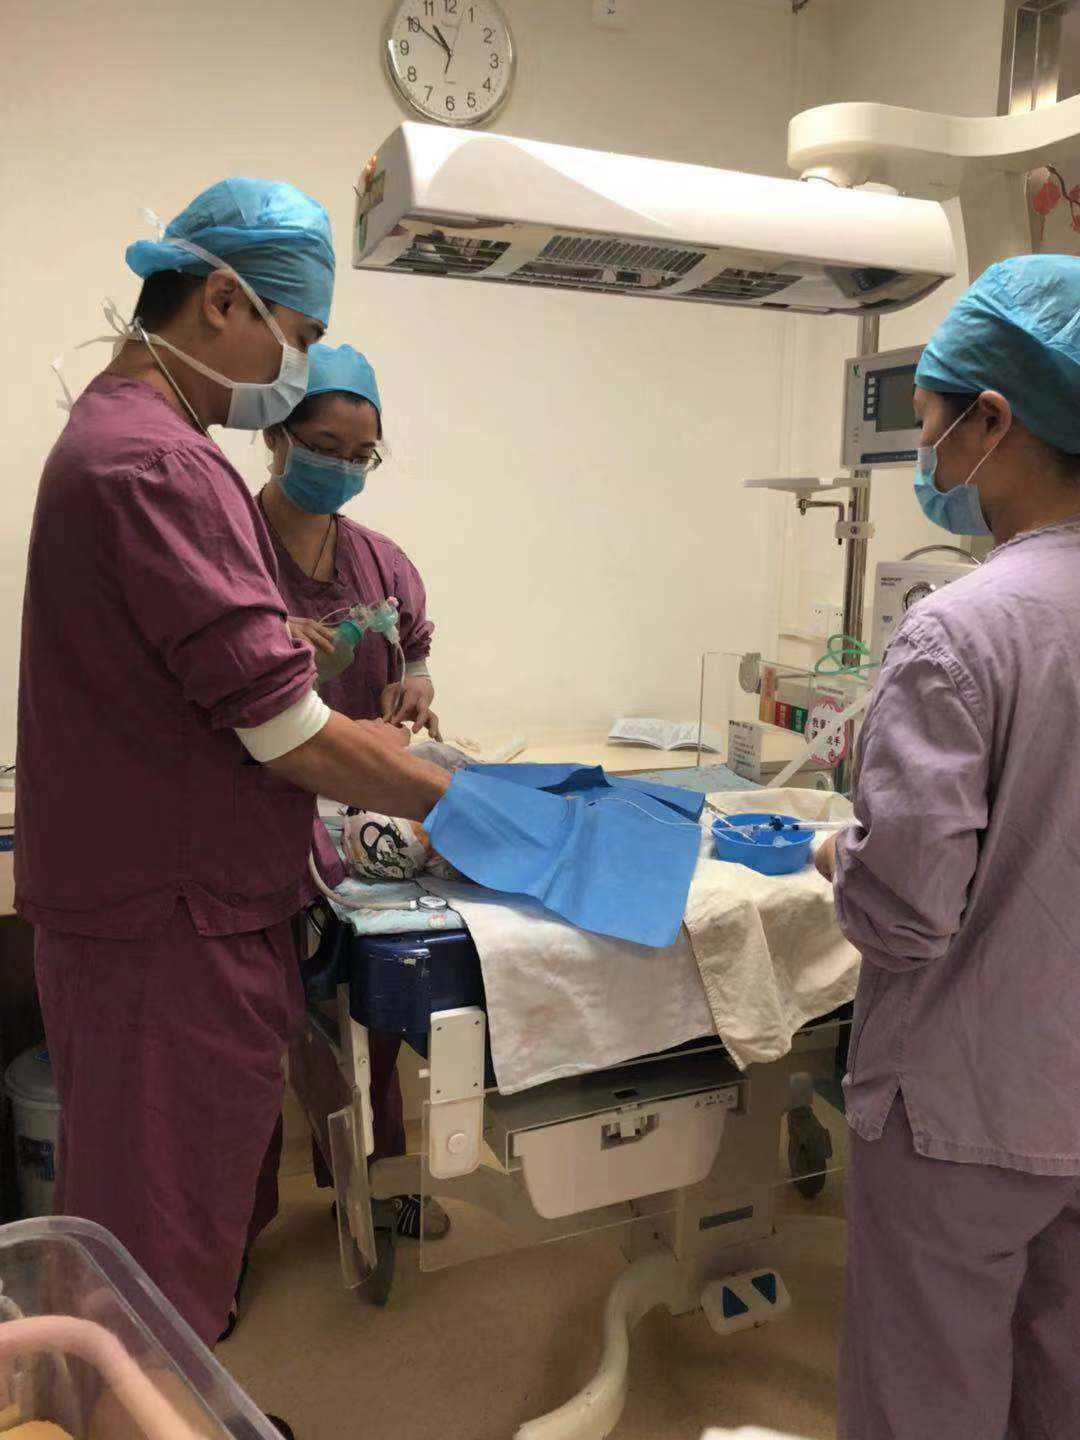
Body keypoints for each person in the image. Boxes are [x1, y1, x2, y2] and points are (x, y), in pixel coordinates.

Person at [15, 179, 451, 1376]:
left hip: (176, 906)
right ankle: (145, 1407)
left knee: (163, 1223)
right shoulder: (159, 465)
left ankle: (161, 1395)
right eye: (297, 338)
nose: (293, 369)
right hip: (170, 921)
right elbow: (290, 732)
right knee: (153, 1248)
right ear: (222, 300)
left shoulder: (127, 443)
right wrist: (468, 801)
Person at [816, 253, 1080, 1439]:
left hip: (964, 1114)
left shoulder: (962, 632)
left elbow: (906, 914)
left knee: (925, 1400)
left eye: (926, 425)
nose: (923, 456)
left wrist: (841, 858)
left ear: (993, 422)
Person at [235, 344, 446, 1326]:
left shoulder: (380, 562)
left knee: (379, 1015)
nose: (344, 468)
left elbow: (416, 651)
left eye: (363, 454)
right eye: (325, 446)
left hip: (360, 824)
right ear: (276, 435)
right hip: (253, 821)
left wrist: (416, 688)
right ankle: (231, 1232)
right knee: (255, 1040)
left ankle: (382, 1185)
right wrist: (272, 646)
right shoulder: (230, 552)